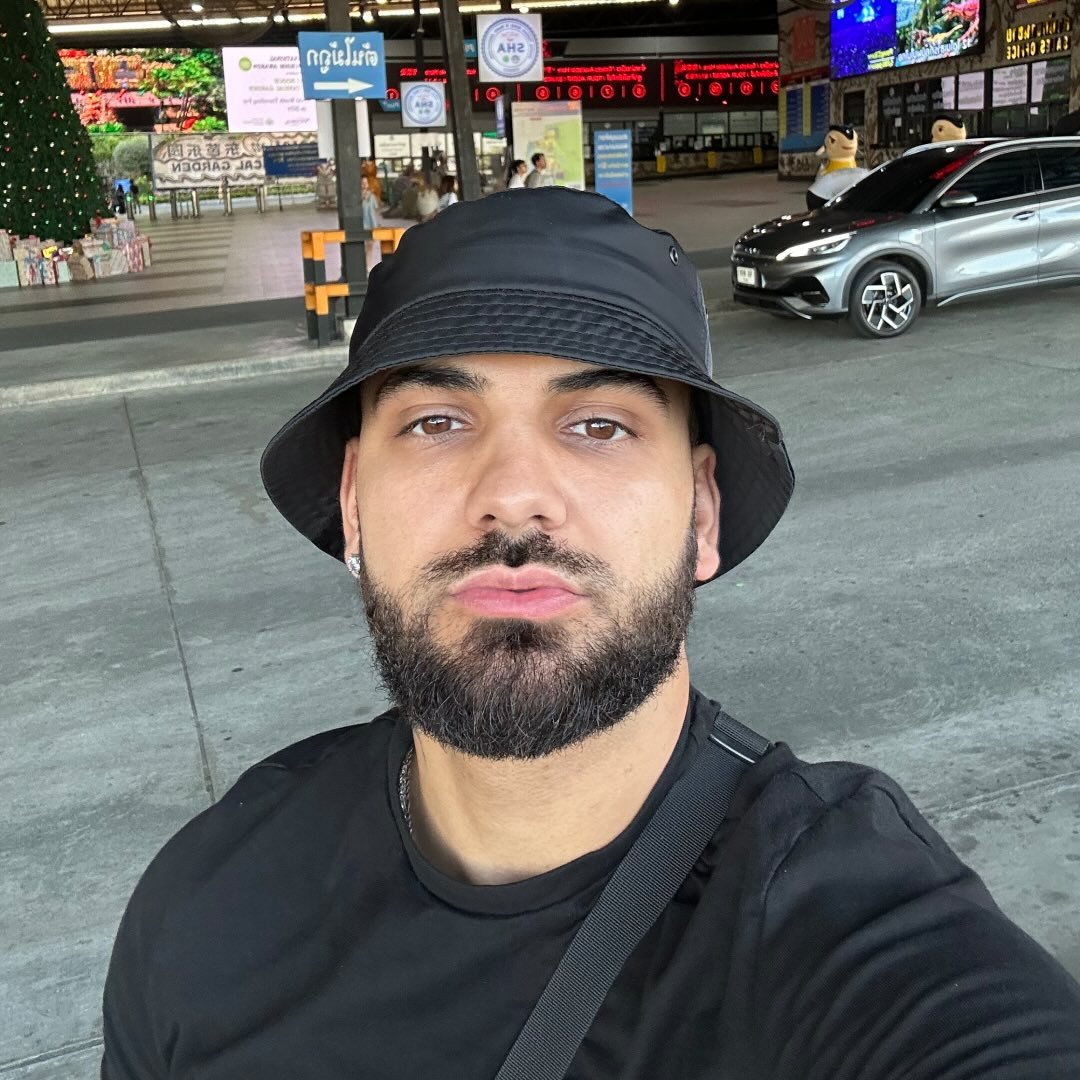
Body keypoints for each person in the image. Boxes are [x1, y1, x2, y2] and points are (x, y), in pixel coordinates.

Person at [102, 189, 1080, 1079]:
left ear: (702, 513)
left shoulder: (844, 932)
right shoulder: (209, 903)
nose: (514, 496)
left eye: (600, 425)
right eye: (438, 421)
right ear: (355, 505)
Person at [360, 174, 381, 274]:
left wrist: (376, 225)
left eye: (365, 183)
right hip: (361, 224)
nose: (364, 185)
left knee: (369, 246)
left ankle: (368, 267)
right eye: (362, 183)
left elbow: (374, 211)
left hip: (371, 224)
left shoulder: (371, 196)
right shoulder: (357, 197)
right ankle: (362, 266)